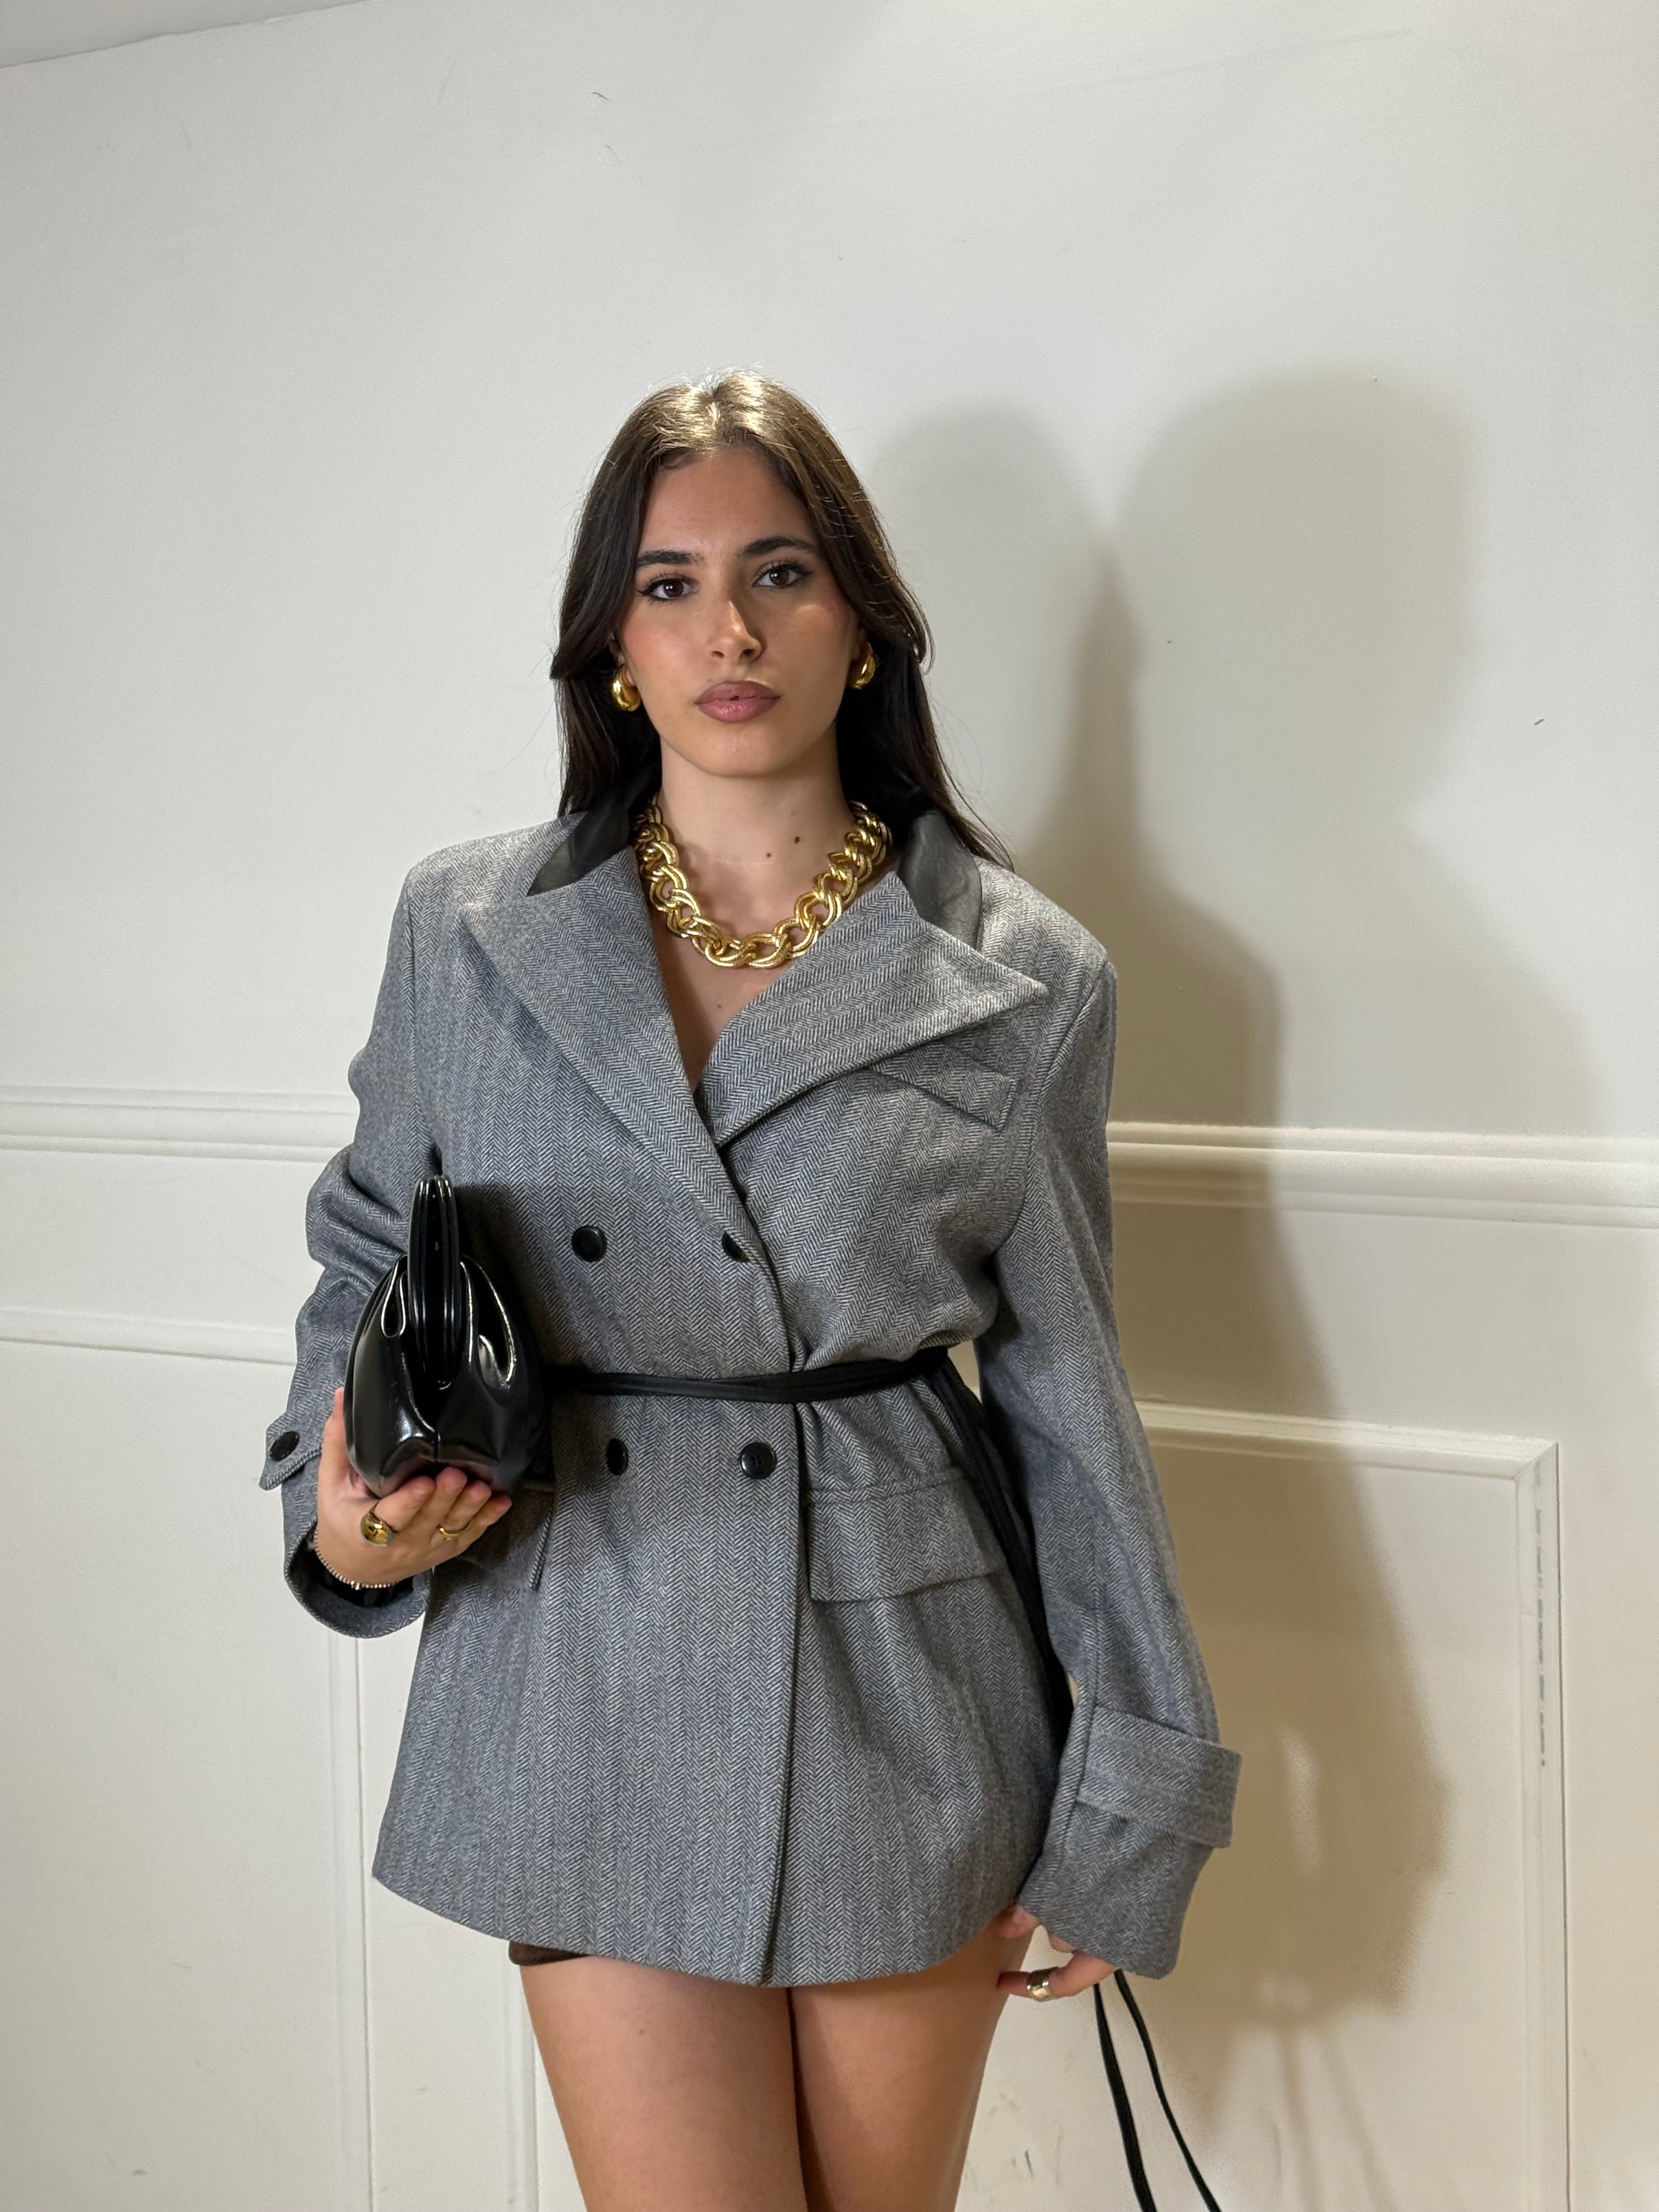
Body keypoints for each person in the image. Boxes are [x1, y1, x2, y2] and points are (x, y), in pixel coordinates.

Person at [260, 371, 1242, 2212]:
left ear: (861, 625)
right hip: (579, 1640)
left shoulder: (1023, 976)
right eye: (671, 583)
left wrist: (1132, 1794)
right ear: (613, 647)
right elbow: (371, 1249)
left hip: (901, 1681)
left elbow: (1070, 1401)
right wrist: (339, 1517)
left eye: (781, 573)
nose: (730, 629)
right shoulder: (464, 931)